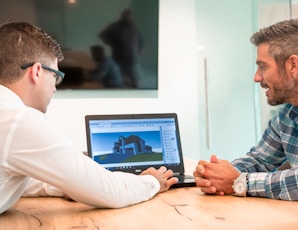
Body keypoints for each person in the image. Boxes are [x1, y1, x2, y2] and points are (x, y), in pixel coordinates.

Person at [0, 21, 177, 214]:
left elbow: (12, 177)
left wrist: (72, 184)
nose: (54, 88)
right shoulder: (19, 120)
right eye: (56, 77)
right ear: (36, 72)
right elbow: (112, 192)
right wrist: (153, 181)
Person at [193, 18, 298, 201]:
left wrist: (241, 182)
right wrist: (216, 175)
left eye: (263, 66)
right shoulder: (287, 115)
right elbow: (260, 160)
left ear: (292, 66)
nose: (257, 78)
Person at [99, 8, 143, 88]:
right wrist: (111, 43)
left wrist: (139, 49)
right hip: (119, 57)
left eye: (129, 16)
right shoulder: (115, 26)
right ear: (122, 16)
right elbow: (102, 35)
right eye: (125, 15)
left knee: (134, 80)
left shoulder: (133, 27)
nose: (127, 18)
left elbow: (139, 39)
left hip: (132, 58)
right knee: (119, 79)